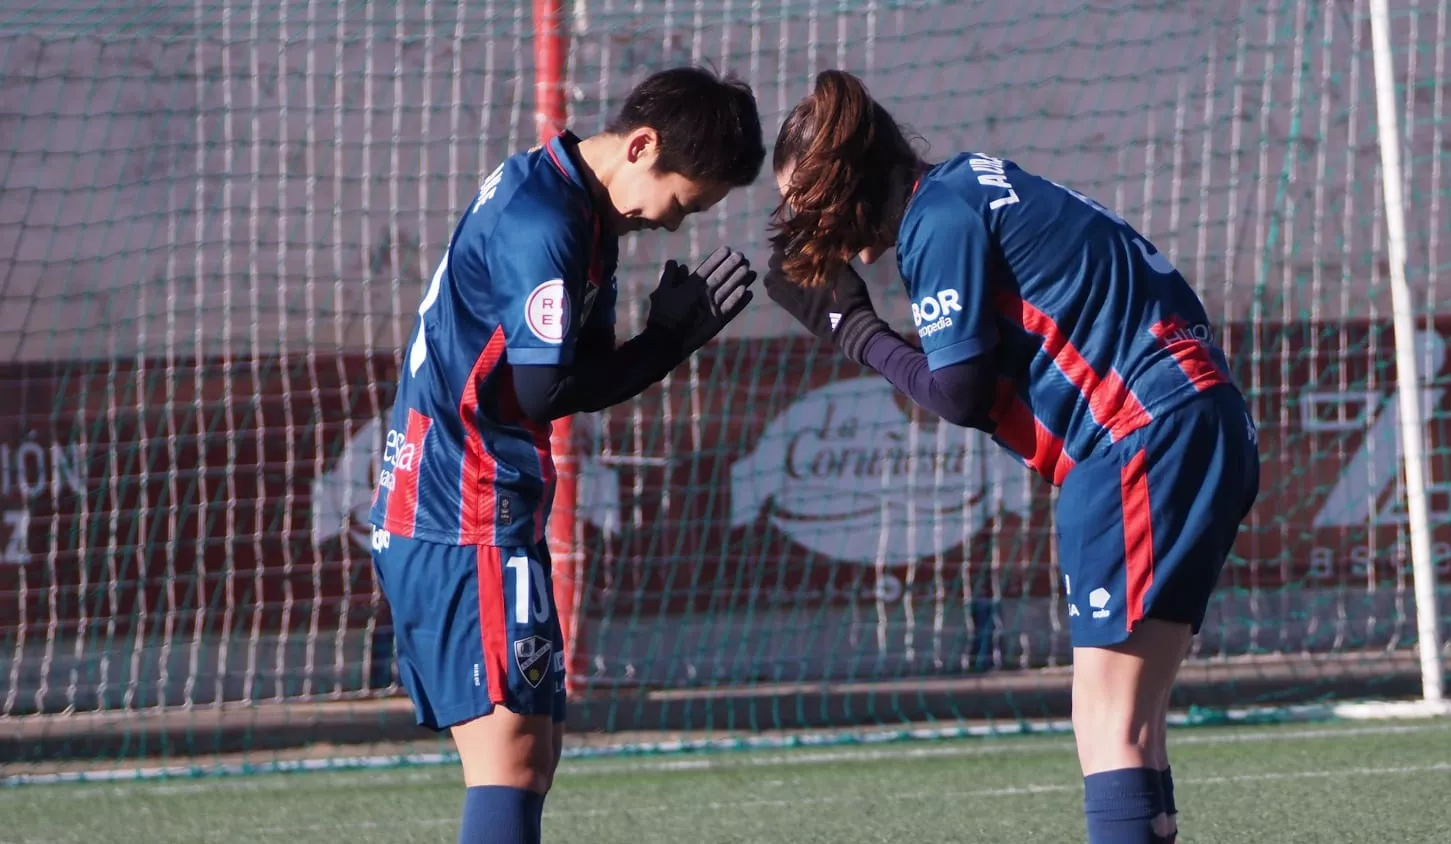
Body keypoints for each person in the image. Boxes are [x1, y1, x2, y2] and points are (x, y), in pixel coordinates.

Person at [762, 69, 1259, 844]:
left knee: (1108, 721)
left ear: (849, 183)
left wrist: (851, 328)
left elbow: (958, 395)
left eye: (808, 206)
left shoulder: (939, 217)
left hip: (1139, 437)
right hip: (1199, 419)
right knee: (1137, 721)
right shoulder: (974, 180)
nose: (806, 229)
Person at [367, 66, 764, 844]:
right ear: (642, 146)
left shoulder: (581, 215)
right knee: (511, 757)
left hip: (488, 510)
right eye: (683, 200)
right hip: (459, 511)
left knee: (532, 752)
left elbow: (580, 370)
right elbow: (546, 390)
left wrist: (658, 344)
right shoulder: (542, 218)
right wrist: (667, 343)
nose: (676, 224)